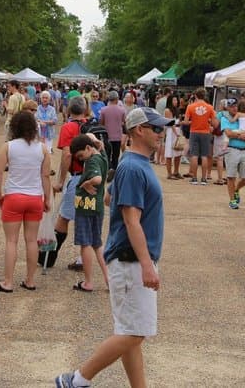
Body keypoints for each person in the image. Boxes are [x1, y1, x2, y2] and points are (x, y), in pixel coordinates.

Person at [54, 107, 171, 388]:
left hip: (128, 258)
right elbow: (131, 220)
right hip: (130, 259)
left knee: (130, 332)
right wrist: (146, 264)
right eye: (155, 128)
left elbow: (108, 199)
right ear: (138, 130)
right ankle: (77, 380)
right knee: (136, 333)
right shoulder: (132, 167)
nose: (160, 133)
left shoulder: (131, 166)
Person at [0, 110, 51, 293]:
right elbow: (46, 176)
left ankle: (8, 281)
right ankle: (30, 280)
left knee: (11, 241)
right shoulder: (42, 149)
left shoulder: (8, 147)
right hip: (34, 198)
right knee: (32, 240)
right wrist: (47, 198)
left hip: (14, 196)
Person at [46, 97, 89, 269]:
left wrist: (60, 181)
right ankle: (83, 257)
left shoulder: (69, 127)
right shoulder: (90, 126)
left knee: (64, 216)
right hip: (93, 177)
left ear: (69, 110)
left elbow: (66, 155)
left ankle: (48, 256)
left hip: (78, 176)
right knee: (84, 216)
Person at [71, 134, 110, 292]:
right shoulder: (101, 156)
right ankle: (109, 279)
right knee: (96, 243)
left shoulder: (92, 160)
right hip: (97, 206)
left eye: (81, 155)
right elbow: (96, 143)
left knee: (85, 243)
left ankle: (88, 282)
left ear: (88, 148)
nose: (81, 159)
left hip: (86, 206)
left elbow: (98, 179)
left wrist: (87, 182)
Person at [220, 99, 245, 209]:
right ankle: (232, 199)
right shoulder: (225, 119)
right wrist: (241, 136)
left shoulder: (243, 117)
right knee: (231, 176)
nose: (234, 108)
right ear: (227, 108)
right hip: (232, 149)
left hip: (244, 149)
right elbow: (228, 133)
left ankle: (236, 190)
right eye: (231, 106)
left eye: (235, 106)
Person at [184, 88, 217, 186]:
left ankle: (194, 178)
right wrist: (208, 122)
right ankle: (204, 178)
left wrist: (192, 121)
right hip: (205, 132)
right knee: (204, 156)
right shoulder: (210, 107)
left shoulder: (190, 107)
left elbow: (186, 122)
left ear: (196, 96)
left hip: (194, 131)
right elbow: (214, 124)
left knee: (194, 155)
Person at [98, 91, 126, 170]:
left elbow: (101, 122)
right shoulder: (122, 110)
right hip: (117, 136)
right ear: (117, 99)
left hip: (106, 136)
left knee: (107, 153)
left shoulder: (103, 110)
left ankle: (107, 168)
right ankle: (114, 169)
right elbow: (124, 121)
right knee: (115, 155)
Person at [163, 108, 184, 180]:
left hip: (178, 130)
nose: (175, 101)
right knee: (169, 152)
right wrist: (175, 132)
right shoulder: (167, 110)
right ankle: (169, 173)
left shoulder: (177, 110)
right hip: (171, 132)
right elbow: (169, 122)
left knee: (178, 152)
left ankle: (176, 171)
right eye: (174, 100)